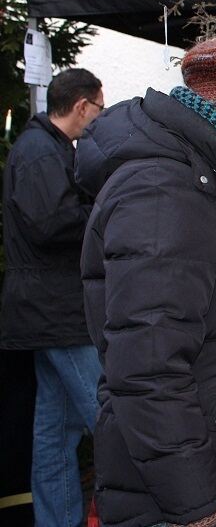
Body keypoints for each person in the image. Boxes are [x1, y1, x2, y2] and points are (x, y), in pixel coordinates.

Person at [75, 27, 216, 526]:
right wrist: (201, 504)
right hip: (191, 499)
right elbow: (148, 369)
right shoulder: (166, 191)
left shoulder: (208, 178)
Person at [1, 68, 104, 527]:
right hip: (55, 308)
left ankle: (57, 520)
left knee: (55, 433)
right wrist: (102, 209)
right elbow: (51, 224)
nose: (98, 119)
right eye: (99, 109)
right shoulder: (42, 152)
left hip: (47, 307)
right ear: (81, 105)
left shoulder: (45, 147)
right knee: (111, 419)